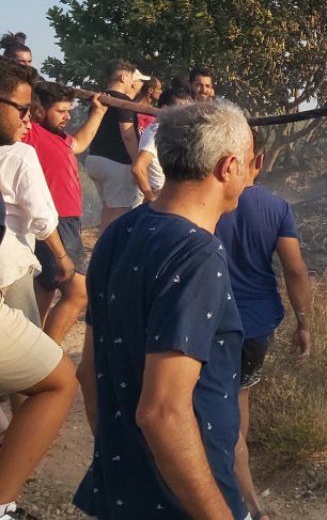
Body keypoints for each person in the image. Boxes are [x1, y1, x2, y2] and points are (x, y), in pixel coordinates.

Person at [75, 100, 253, 520]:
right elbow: (162, 413)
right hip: (182, 502)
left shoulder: (118, 233)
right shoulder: (197, 255)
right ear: (228, 166)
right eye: (248, 162)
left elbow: (88, 372)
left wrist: (125, 461)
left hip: (123, 492)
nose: (249, 175)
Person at [215, 129, 313, 520]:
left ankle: (237, 496)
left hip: (209, 321)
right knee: (239, 397)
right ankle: (245, 499)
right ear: (258, 160)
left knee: (208, 404)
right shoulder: (276, 207)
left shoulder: (207, 202)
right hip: (255, 324)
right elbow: (295, 270)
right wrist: (303, 322)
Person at [0, 56, 78, 520]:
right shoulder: (21, 153)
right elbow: (42, 214)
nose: (27, 119)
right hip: (12, 270)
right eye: (21, 109)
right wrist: (64, 257)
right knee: (56, 380)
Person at [24, 82, 108, 342]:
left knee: (45, 288)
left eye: (69, 110)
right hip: (54, 221)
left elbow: (80, 143)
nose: (68, 117)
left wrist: (98, 112)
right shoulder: (31, 133)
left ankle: (33, 348)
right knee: (78, 292)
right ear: (39, 110)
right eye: (61, 111)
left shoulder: (59, 136)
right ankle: (46, 352)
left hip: (67, 220)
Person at [85, 59, 151, 232]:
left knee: (108, 208)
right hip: (116, 163)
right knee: (118, 212)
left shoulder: (98, 99)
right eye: (131, 78)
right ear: (123, 77)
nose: (132, 83)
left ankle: (103, 243)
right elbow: (128, 135)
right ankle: (110, 246)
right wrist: (138, 163)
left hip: (94, 158)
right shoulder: (123, 102)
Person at [131, 87, 190, 203]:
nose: (184, 114)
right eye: (180, 109)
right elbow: (138, 168)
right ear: (165, 109)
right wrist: (151, 196)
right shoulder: (155, 132)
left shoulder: (165, 131)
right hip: (162, 197)